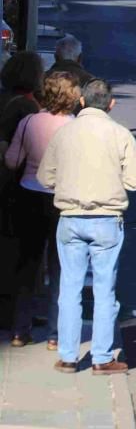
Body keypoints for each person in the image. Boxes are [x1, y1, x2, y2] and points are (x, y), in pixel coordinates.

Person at [39, 79, 136, 375]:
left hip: (70, 218)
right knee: (104, 291)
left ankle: (68, 356)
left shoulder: (65, 133)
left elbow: (44, 177)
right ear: (111, 105)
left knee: (69, 288)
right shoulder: (120, 134)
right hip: (106, 219)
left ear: (82, 102)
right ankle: (101, 358)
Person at [4, 72, 80, 349]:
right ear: (72, 96)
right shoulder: (75, 127)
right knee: (60, 268)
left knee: (27, 265)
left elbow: (13, 161)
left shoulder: (28, 122)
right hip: (61, 200)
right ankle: (54, 334)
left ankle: (19, 331)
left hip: (29, 196)